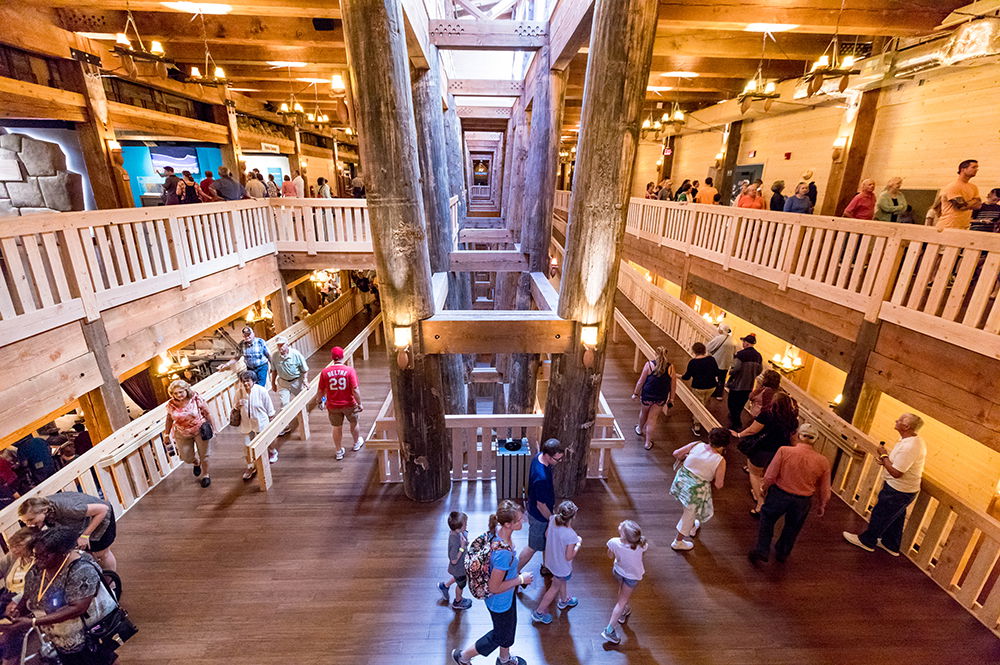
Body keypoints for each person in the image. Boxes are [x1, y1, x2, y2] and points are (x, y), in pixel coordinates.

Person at [11, 527, 119, 665]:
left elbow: (77, 608)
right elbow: (29, 595)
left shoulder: (81, 569)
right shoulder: (37, 570)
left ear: (62, 553)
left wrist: (33, 622)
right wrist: (18, 610)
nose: (38, 560)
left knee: (99, 659)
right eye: (35, 555)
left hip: (88, 634)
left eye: (44, 556)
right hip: (59, 637)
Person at [451, 501, 531, 665]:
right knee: (500, 635)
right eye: (519, 520)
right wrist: (521, 579)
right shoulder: (503, 553)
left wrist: (515, 576)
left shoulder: (497, 532)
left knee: (507, 630)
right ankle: (463, 657)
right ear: (508, 524)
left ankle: (504, 659)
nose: (522, 522)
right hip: (499, 600)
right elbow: (494, 587)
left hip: (506, 596)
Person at [843, 413, 926, 556]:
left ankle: (867, 541)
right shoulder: (910, 440)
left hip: (899, 490)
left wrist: (883, 455)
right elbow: (897, 465)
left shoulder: (910, 446)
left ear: (906, 426)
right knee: (895, 518)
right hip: (904, 489)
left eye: (900, 420)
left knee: (880, 514)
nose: (896, 420)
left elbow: (897, 472)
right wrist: (886, 461)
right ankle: (891, 544)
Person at [749, 423, 830, 564]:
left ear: (799, 435)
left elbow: (770, 475)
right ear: (815, 440)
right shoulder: (823, 461)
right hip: (803, 500)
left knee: (767, 519)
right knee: (793, 526)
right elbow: (825, 488)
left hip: (780, 493)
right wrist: (822, 504)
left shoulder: (784, 451)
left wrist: (764, 488)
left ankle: (762, 549)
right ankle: (782, 552)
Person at [733, 391, 800, 516]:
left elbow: (753, 430)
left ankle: (760, 503)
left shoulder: (766, 415)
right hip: (779, 453)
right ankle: (764, 496)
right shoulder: (792, 419)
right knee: (768, 476)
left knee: (755, 474)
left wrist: (738, 434)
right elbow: (794, 440)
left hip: (761, 450)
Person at [18, 492, 117, 571]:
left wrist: (85, 536)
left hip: (101, 517)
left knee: (102, 553)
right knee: (88, 552)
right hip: (81, 521)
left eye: (31, 520)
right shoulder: (45, 510)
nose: (28, 524)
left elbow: (103, 509)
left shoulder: (68, 507)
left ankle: (111, 585)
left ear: (43, 511)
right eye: (25, 521)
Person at [669, 428, 730, 551]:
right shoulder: (720, 460)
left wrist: (688, 457)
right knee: (689, 515)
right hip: (695, 492)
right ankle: (678, 541)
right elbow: (719, 484)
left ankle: (692, 527)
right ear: (724, 444)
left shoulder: (697, 444)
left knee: (687, 508)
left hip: (681, 483)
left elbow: (676, 453)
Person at [308, 346, 364, 461]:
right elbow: (355, 389)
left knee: (336, 427)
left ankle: (338, 451)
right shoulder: (349, 371)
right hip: (349, 403)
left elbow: (321, 390)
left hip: (333, 405)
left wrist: (320, 401)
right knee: (354, 422)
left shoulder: (325, 372)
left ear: (332, 358)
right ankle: (356, 443)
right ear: (343, 356)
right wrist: (360, 403)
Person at [518, 438, 564, 574]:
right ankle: (514, 573)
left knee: (547, 541)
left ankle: (546, 567)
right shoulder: (541, 478)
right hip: (539, 516)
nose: (558, 462)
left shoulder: (538, 457)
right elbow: (541, 505)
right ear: (548, 455)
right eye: (557, 459)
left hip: (538, 507)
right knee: (532, 546)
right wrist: (552, 519)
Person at [531, 500, 581, 624]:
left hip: (551, 561)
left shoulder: (553, 519)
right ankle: (539, 612)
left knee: (560, 581)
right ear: (573, 516)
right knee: (554, 587)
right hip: (561, 566)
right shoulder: (571, 535)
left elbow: (547, 534)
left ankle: (564, 600)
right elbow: (569, 556)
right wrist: (578, 544)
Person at [601, 520, 648, 645]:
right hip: (632, 576)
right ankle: (609, 630)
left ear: (623, 536)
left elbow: (610, 556)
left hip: (618, 571)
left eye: (622, 526)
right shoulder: (642, 545)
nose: (620, 524)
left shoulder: (613, 542)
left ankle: (624, 611)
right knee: (621, 600)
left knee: (622, 591)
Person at [164, 378, 216, 488]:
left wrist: (214, 428)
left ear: (186, 390)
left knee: (204, 455)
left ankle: (205, 475)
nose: (178, 395)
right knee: (186, 457)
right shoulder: (171, 405)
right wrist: (166, 434)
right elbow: (169, 419)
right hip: (182, 432)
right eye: (175, 393)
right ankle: (196, 463)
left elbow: (208, 413)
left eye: (181, 392)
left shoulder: (196, 399)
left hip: (199, 430)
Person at [0, 528, 37, 665]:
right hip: (7, 595)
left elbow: (34, 587)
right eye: (12, 547)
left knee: (8, 634)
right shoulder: (13, 557)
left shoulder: (40, 560)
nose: (13, 550)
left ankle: (9, 660)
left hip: (25, 600)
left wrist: (17, 601)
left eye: (17, 547)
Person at [631, 346, 676, 451]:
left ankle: (639, 429)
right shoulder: (671, 368)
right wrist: (671, 399)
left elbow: (641, 381)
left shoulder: (649, 365)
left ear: (655, 354)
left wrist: (635, 393)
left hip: (647, 395)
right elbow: (673, 385)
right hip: (660, 397)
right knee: (652, 419)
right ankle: (647, 443)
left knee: (643, 413)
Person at [236, 369, 277, 481]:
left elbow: (269, 406)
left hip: (261, 421)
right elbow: (234, 407)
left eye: (248, 381)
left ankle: (272, 452)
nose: (245, 384)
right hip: (246, 424)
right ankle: (250, 466)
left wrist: (271, 417)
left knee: (265, 442)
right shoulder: (239, 392)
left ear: (253, 381)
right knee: (247, 446)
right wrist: (237, 405)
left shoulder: (261, 391)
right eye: (243, 381)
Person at [270, 336, 309, 436]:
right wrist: (273, 383)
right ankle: (285, 426)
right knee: (284, 404)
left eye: (282, 345)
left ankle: (305, 414)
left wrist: (305, 380)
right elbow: (274, 371)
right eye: (278, 345)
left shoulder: (296, 354)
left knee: (301, 400)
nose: (280, 347)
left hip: (296, 381)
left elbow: (305, 369)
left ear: (287, 344)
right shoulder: (274, 356)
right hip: (283, 382)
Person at [680, 341, 719, 436]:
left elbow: (686, 377)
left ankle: (697, 425)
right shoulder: (711, 359)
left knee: (699, 406)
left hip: (698, 387)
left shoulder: (693, 362)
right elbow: (716, 372)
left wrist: (677, 376)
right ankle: (700, 418)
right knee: (704, 402)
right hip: (711, 386)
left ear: (694, 351)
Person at [726, 333, 763, 430]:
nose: (743, 343)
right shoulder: (758, 356)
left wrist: (731, 372)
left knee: (732, 403)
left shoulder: (741, 354)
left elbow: (736, 368)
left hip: (737, 384)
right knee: (740, 404)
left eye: (744, 342)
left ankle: (736, 423)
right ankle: (734, 418)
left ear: (747, 343)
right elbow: (760, 370)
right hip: (748, 386)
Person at [438, 511, 472, 610]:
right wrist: (462, 547)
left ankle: (444, 586)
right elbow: (453, 560)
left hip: (459, 568)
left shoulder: (456, 533)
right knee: (461, 584)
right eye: (465, 524)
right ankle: (458, 601)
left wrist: (464, 543)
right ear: (458, 528)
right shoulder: (454, 540)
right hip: (458, 567)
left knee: (458, 578)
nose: (467, 525)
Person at [937, 159, 982, 230]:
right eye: (973, 167)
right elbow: (961, 207)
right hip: (949, 226)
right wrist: (973, 201)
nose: (976, 169)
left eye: (977, 168)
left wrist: (967, 203)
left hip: (964, 226)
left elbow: (978, 205)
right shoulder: (953, 186)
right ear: (963, 169)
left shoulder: (973, 187)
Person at [706, 323, 735, 401]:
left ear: (722, 330)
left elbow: (709, 347)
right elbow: (734, 352)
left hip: (716, 361)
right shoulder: (732, 340)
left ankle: (711, 391)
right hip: (726, 364)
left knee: (711, 377)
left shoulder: (719, 338)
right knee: (722, 379)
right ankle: (719, 395)